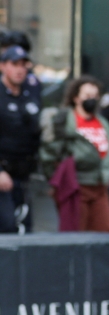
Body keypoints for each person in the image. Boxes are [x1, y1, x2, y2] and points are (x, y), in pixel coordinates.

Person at [39, 76, 109, 232]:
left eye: (95, 96)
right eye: (87, 96)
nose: (92, 100)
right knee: (75, 231)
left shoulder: (102, 122)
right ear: (76, 98)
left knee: (105, 229)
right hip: (75, 184)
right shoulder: (65, 120)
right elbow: (49, 151)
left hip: (100, 185)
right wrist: (54, 180)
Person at [0, 45, 42, 233]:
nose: (20, 69)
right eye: (14, 64)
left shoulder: (31, 92)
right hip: (3, 173)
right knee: (7, 225)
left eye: (23, 64)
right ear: (2, 66)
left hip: (24, 173)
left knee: (26, 227)